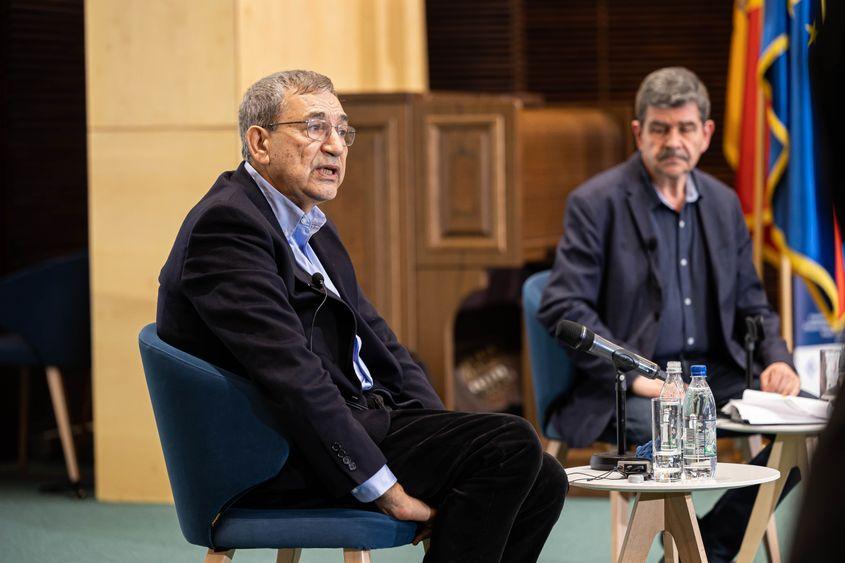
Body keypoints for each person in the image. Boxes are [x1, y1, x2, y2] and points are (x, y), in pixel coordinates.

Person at [156, 70, 566, 562]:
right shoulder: (227, 227)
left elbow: (379, 340)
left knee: (544, 475)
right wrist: (385, 489)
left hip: (352, 421)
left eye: (342, 130)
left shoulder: (307, 223)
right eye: (314, 127)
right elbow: (292, 376)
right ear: (259, 142)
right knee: (508, 443)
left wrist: (441, 429)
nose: (335, 146)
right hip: (278, 454)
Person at [538, 67, 800, 562]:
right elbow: (563, 305)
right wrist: (638, 379)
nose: (672, 141)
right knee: (664, 428)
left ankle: (711, 546)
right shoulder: (596, 204)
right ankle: (694, 546)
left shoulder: (724, 205)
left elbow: (751, 301)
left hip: (713, 376)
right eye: (660, 128)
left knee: (813, 426)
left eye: (684, 128)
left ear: (706, 134)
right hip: (632, 387)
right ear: (639, 133)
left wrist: (777, 360)